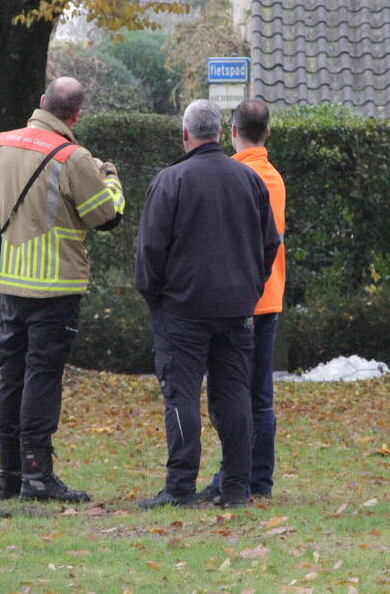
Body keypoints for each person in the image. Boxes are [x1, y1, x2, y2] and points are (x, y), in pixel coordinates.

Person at [0, 77, 125, 503]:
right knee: (42, 378)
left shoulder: (0, 144)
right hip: (57, 288)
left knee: (12, 377)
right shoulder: (74, 157)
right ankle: (38, 477)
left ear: (42, 103)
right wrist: (110, 177)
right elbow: (106, 217)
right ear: (75, 115)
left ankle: (9, 474)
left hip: (13, 283)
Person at [135, 99, 281, 509]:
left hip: (182, 309)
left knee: (181, 394)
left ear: (185, 135)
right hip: (237, 308)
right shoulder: (249, 180)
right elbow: (270, 243)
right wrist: (251, 288)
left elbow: (150, 249)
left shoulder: (171, 181)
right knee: (233, 395)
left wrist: (155, 297)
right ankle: (236, 487)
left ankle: (180, 487)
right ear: (220, 132)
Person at [197, 99, 286, 502]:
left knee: (232, 394)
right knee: (259, 395)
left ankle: (231, 475)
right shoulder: (275, 178)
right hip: (271, 297)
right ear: (266, 132)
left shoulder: (235, 176)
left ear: (233, 131)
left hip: (240, 300)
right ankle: (260, 478)